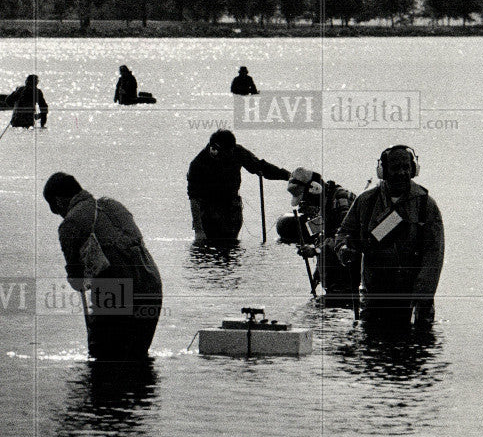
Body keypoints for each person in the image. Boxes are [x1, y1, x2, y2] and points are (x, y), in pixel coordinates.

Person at [43, 172, 162, 361]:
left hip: (115, 289)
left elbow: (77, 281)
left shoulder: (70, 223)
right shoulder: (113, 205)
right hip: (151, 281)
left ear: (58, 202)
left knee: (104, 361)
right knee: (138, 361)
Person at [334, 145, 444, 328]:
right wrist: (344, 249)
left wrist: (422, 297)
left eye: (406, 167)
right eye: (395, 167)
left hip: (411, 297)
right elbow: (344, 233)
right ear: (383, 171)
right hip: (374, 294)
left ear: (413, 169)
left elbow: (434, 254)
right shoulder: (366, 201)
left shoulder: (426, 205)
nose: (402, 172)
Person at [186, 128, 288, 243]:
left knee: (232, 247)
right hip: (209, 214)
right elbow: (194, 198)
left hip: (232, 210)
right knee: (211, 246)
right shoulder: (198, 164)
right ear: (214, 149)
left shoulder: (237, 151)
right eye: (226, 154)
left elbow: (260, 167)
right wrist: (199, 230)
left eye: (230, 152)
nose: (229, 156)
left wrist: (287, 176)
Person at [276, 167, 359, 301]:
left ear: (315, 189)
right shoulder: (325, 204)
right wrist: (317, 275)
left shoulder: (341, 200)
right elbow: (324, 238)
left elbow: (343, 239)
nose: (305, 205)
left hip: (349, 268)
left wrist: (315, 251)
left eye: (305, 200)